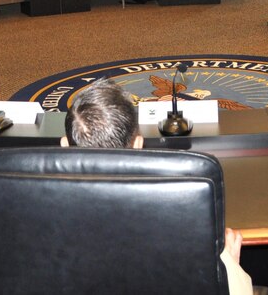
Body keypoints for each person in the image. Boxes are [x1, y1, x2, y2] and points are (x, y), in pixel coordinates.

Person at [61, 79, 253, 295]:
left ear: (65, 145)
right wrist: (230, 264)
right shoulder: (182, 213)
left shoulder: (35, 213)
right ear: (138, 145)